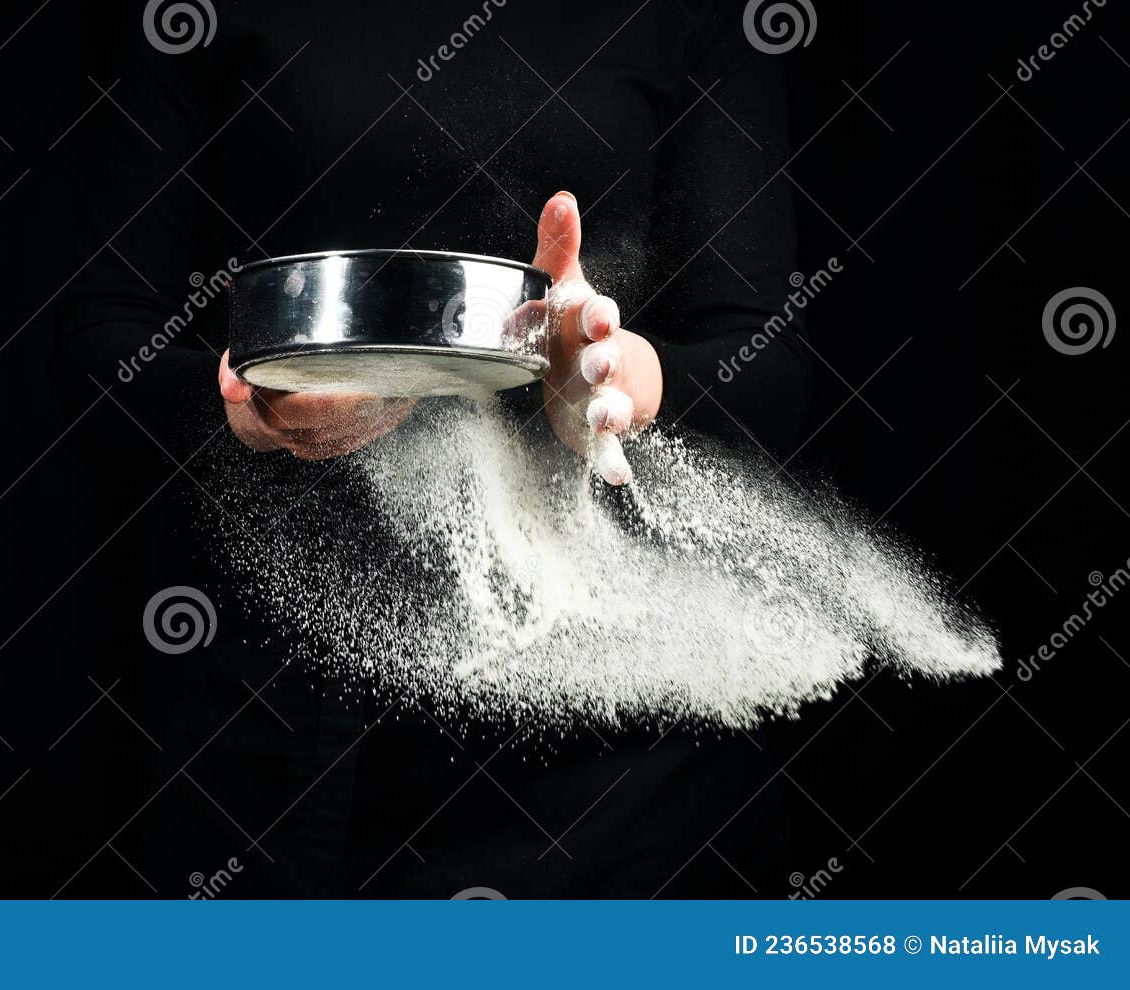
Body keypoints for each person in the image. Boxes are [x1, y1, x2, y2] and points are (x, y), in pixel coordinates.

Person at [64, 0, 811, 896]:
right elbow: (97, 335)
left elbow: (767, 364)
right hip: (273, 726)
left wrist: (615, 379)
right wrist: (245, 406)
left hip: (611, 759)